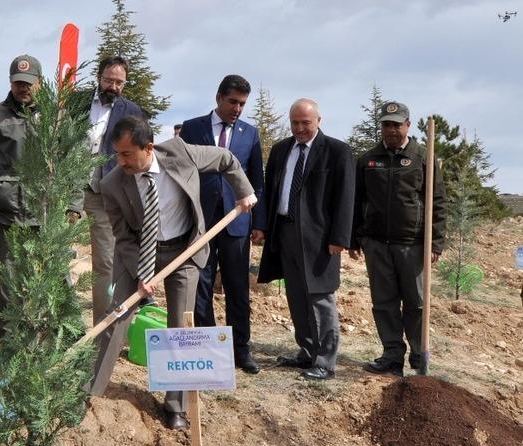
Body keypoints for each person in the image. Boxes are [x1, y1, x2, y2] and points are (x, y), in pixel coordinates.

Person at [92, 116, 256, 430]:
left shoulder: (180, 152)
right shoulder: (112, 184)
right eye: (117, 154)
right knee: (118, 316)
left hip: (184, 249)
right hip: (140, 250)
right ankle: (94, 390)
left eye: (127, 154)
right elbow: (123, 237)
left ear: (149, 148)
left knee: (180, 326)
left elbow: (225, 159)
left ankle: (175, 406)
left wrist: (243, 190)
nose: (120, 161)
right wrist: (142, 272)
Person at [0, 54, 81, 335]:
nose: (23, 88)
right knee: (11, 279)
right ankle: (11, 338)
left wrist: (74, 203)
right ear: (10, 82)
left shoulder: (58, 117)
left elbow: (76, 163)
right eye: (18, 82)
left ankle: (61, 336)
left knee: (57, 275)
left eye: (28, 83)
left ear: (40, 83)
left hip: (48, 212)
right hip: (7, 213)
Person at [252, 98, 354, 381]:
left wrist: (339, 238)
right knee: (296, 296)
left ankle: (325, 362)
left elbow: (346, 198)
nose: (299, 128)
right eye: (295, 123)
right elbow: (270, 191)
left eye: (305, 123)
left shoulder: (337, 151)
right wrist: (262, 226)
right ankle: (307, 352)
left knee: (320, 298)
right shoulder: (281, 150)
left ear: (319, 120)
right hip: (285, 232)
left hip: (321, 239)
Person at [349, 101, 446, 377]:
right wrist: (355, 238)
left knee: (415, 302)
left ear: (407, 125)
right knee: (384, 302)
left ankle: (419, 355)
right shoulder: (368, 160)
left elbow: (437, 202)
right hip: (377, 243)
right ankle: (392, 355)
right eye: (386, 124)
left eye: (396, 124)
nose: (390, 130)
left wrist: (436, 242)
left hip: (412, 244)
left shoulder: (423, 158)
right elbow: (357, 201)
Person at [180, 74, 265, 374]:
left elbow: (257, 182)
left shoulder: (249, 133)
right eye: (233, 102)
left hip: (236, 223)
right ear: (219, 98)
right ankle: (209, 346)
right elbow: (181, 173)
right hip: (200, 221)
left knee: (237, 286)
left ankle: (240, 349)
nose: (237, 108)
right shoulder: (192, 128)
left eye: (242, 104)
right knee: (201, 284)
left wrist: (259, 223)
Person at [81, 56, 145, 324]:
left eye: (120, 82)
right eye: (109, 80)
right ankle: (63, 321)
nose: (114, 86)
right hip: (69, 187)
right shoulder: (76, 102)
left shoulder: (132, 111)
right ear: (99, 77)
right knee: (55, 253)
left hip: (104, 191)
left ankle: (101, 327)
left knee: (105, 262)